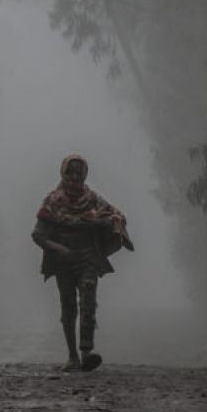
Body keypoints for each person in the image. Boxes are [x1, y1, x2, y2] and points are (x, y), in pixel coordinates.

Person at [32, 154, 133, 371]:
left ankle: (87, 351)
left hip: (87, 257)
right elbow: (38, 235)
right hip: (63, 262)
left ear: (85, 174)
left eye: (79, 172)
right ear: (63, 172)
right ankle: (72, 356)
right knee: (68, 306)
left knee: (88, 297)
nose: (75, 176)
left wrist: (100, 221)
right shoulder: (52, 202)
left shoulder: (93, 199)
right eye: (71, 171)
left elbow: (117, 216)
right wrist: (59, 248)